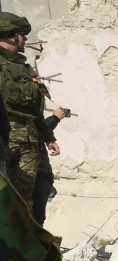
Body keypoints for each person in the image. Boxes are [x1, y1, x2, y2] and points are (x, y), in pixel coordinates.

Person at [0, 11, 54, 212]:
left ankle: (20, 242)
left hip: (28, 143)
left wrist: (48, 136)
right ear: (12, 36)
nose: (26, 39)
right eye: (23, 34)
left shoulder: (24, 68)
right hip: (4, 141)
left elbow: (35, 109)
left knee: (23, 203)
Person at [31, 105, 69, 225]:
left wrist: (49, 139)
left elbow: (36, 128)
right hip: (30, 171)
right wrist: (54, 118)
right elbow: (27, 132)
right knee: (33, 218)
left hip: (39, 172)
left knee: (37, 218)